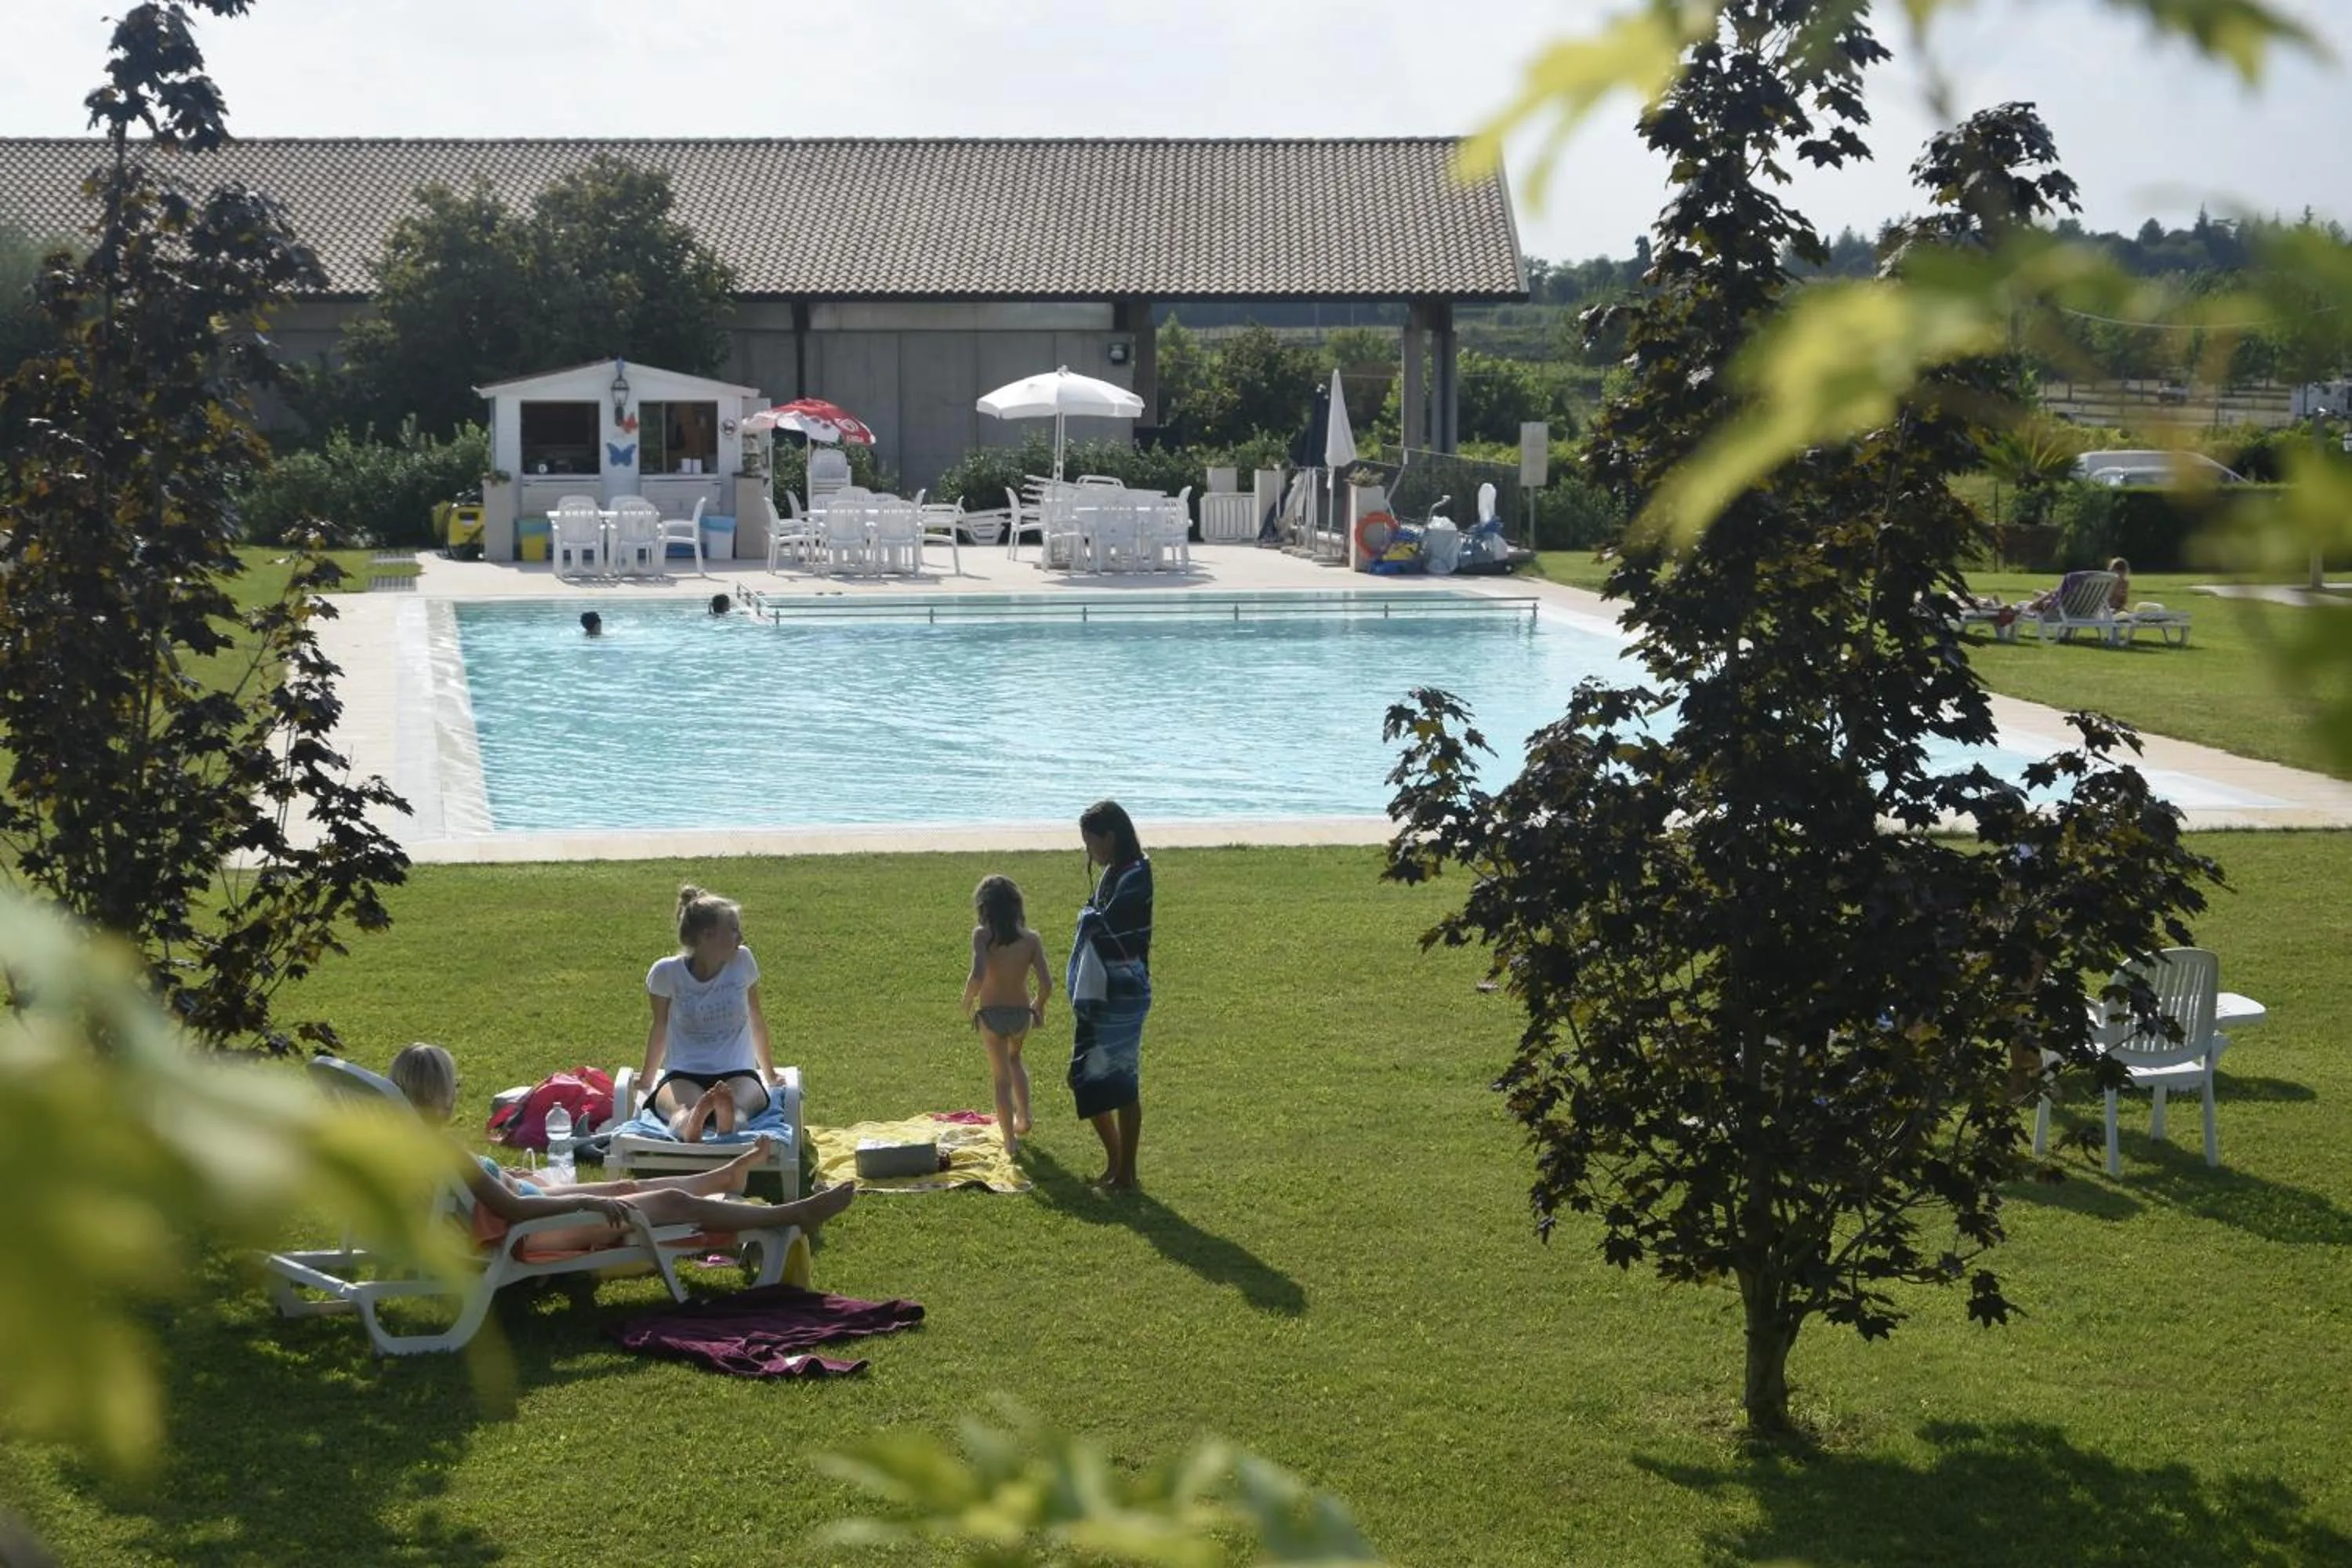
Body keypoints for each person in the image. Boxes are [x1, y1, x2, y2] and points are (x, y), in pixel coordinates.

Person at [386, 1042, 852, 1245]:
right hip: (533, 1229)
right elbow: (514, 1211)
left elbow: (484, 1195)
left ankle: (723, 1177)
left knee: (628, 1188)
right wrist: (586, 1200)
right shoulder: (441, 1150)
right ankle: (788, 1216)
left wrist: (508, 1175)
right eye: (454, 1085)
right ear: (440, 1095)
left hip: (531, 1205)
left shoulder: (402, 1145)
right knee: (669, 1203)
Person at [639, 884, 775, 1142]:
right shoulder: (666, 973)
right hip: (683, 1073)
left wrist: (769, 1074)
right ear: (708, 935)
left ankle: (710, 1119)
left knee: (736, 1111)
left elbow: (755, 1018)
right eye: (733, 929)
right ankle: (699, 1121)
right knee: (686, 1112)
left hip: (738, 1071)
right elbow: (660, 1027)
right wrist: (647, 1078)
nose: (740, 936)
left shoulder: (743, 961)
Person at [1067, 800, 1152, 1190]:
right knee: (1083, 1076)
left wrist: (1087, 919)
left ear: (1111, 836)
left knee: (1123, 1080)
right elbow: (1097, 920)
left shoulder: (1137, 873)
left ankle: (1126, 1173)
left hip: (1125, 991)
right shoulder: (1113, 873)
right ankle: (1117, 1164)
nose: (1089, 851)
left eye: (1091, 842)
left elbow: (1108, 925)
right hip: (1101, 990)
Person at [961, 875, 1051, 1159]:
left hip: (991, 1016)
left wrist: (967, 1001)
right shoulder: (1031, 939)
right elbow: (1046, 983)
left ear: (984, 907)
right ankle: (1024, 1117)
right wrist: (1039, 1006)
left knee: (1001, 1079)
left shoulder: (982, 936)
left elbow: (977, 975)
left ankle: (1010, 1140)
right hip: (1021, 1015)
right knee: (1015, 1060)